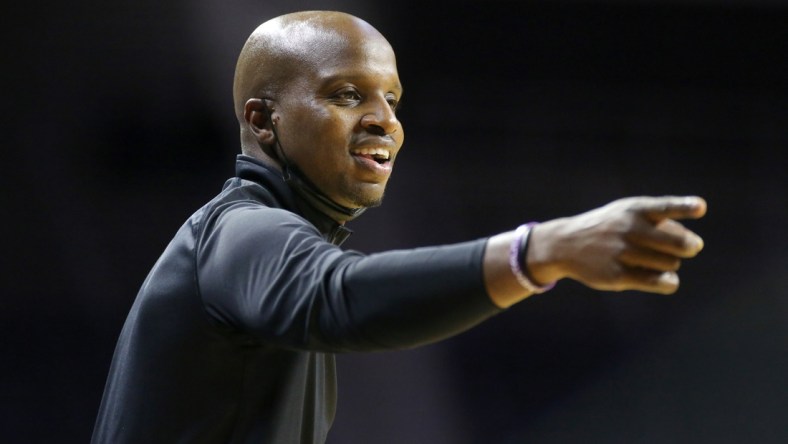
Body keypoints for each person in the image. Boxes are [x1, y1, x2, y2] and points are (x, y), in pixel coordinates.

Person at [91, 10, 707, 444]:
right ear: (263, 120)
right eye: (347, 94)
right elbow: (341, 297)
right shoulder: (240, 231)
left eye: (393, 100)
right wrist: (541, 249)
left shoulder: (267, 238)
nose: (385, 120)